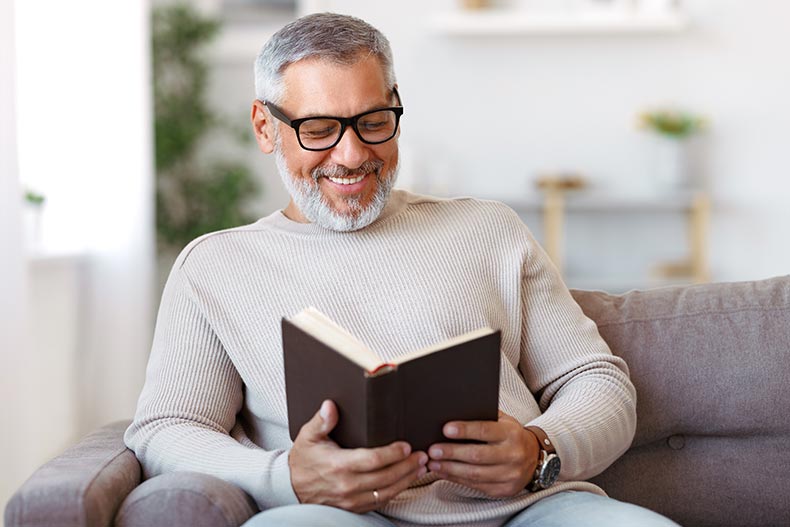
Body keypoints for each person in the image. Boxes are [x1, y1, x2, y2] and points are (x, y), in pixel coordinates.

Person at [125, 12, 680, 527]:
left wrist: (541, 449)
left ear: (396, 106)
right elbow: (166, 428)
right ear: (265, 127)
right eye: (318, 129)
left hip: (527, 513)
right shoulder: (215, 267)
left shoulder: (487, 229)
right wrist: (285, 478)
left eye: (372, 122)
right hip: (339, 517)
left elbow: (598, 381)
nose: (350, 155)